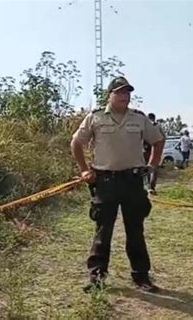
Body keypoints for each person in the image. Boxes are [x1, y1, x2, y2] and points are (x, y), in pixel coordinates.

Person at [71, 77, 165, 293]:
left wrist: (152, 165)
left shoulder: (139, 119)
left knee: (135, 230)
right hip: (105, 182)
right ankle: (97, 276)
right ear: (110, 95)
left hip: (132, 182)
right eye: (120, 92)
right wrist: (85, 170)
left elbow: (158, 140)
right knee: (103, 230)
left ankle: (141, 276)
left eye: (128, 92)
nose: (125, 96)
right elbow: (76, 143)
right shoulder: (95, 118)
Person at [143, 113, 164, 195]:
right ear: (154, 118)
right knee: (154, 168)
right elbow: (163, 138)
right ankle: (152, 187)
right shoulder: (158, 126)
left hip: (145, 150)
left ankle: (147, 186)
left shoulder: (144, 126)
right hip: (155, 150)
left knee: (145, 168)